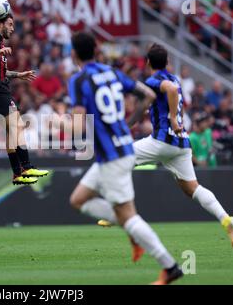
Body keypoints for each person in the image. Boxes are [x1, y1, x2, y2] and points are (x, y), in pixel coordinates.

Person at [68, 32, 182, 285]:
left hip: (111, 157)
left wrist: (62, 131)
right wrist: (128, 122)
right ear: (96, 51)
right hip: (120, 149)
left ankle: (170, 266)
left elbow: (77, 123)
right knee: (78, 199)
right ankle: (130, 229)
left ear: (73, 54)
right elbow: (149, 96)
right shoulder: (112, 72)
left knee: (128, 216)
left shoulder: (78, 80)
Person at [132, 44, 233, 249]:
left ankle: (117, 213)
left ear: (148, 62)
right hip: (181, 143)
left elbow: (169, 92)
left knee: (118, 159)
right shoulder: (175, 79)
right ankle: (226, 219)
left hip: (162, 141)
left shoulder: (155, 81)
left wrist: (172, 118)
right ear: (167, 63)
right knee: (192, 188)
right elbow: (169, 93)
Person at [0, 13, 49, 185]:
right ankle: (27, 166)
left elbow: (1, 72)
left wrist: (19, 74)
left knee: (11, 131)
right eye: (9, 24)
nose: (12, 28)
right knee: (18, 126)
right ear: (0, 23)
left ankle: (17, 173)